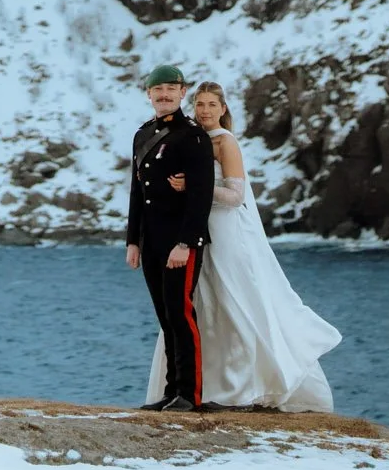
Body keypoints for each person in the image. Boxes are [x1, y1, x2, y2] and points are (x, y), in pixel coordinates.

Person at [147, 80, 341, 412]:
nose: (205, 111)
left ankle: (243, 387)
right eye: (199, 104)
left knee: (234, 302)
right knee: (199, 306)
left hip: (226, 233)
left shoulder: (226, 143)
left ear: (223, 109)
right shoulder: (194, 140)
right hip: (197, 230)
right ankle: (195, 386)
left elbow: (235, 197)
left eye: (211, 104)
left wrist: (196, 185)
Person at [125, 63, 216, 412]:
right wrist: (133, 240)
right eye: (157, 89)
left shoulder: (192, 135)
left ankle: (189, 396)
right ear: (148, 94)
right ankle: (169, 392)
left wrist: (185, 243)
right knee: (165, 317)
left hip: (180, 242)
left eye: (170, 89)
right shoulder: (143, 134)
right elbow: (137, 191)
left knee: (181, 315)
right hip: (152, 241)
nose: (163, 95)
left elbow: (201, 194)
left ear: (182, 93)